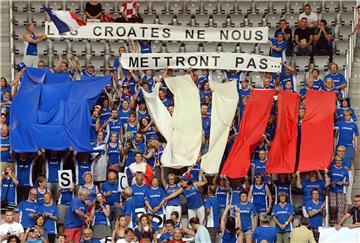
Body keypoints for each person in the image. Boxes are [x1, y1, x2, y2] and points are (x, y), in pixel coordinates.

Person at [327, 156, 349, 225]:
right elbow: (328, 179)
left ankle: (340, 223)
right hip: (332, 190)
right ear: (335, 161)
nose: (338, 162)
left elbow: (348, 182)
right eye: (337, 160)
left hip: (341, 190)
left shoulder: (345, 170)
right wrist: (331, 183)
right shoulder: (331, 169)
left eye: (340, 160)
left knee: (341, 208)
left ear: (342, 161)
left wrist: (342, 183)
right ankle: (332, 218)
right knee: (333, 206)